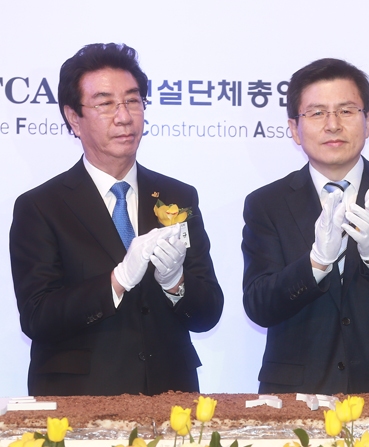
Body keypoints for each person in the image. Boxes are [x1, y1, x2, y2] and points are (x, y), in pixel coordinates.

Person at [9, 43, 224, 396]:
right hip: (79, 397)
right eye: (105, 104)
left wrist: (176, 283)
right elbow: (37, 317)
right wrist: (117, 280)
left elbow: (208, 314)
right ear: (73, 118)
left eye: (132, 100)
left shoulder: (178, 196)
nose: (124, 117)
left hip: (170, 396)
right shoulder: (41, 206)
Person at [242, 58, 369, 394]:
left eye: (346, 111)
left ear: (368, 121)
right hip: (295, 394)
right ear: (294, 128)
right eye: (317, 113)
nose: (332, 125)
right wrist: (316, 263)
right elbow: (259, 305)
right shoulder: (266, 204)